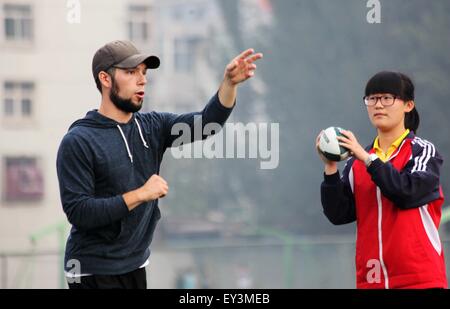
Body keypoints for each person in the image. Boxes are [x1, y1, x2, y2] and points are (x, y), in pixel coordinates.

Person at [56, 40, 263, 289]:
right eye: (131, 72)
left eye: (144, 72)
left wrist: (229, 84)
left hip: (135, 264)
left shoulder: (152, 127)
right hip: (91, 270)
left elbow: (207, 124)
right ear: (105, 78)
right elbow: (80, 212)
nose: (142, 80)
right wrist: (141, 194)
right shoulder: (78, 141)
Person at [316, 71, 447, 289]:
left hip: (419, 280)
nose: (378, 105)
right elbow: (338, 214)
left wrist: (368, 159)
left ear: (408, 105)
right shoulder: (356, 161)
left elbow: (406, 193)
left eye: (387, 98)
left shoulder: (422, 151)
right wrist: (330, 167)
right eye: (372, 98)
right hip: (371, 281)